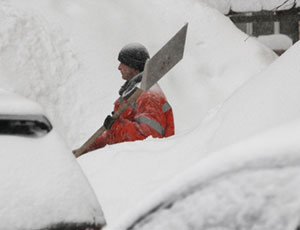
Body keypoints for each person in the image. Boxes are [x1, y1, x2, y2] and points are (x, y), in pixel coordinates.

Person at [85, 43, 174, 152]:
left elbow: (149, 138)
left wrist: (116, 126)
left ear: (134, 66)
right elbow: (114, 136)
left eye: (123, 63)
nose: (119, 67)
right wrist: (89, 149)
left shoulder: (149, 96)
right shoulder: (131, 93)